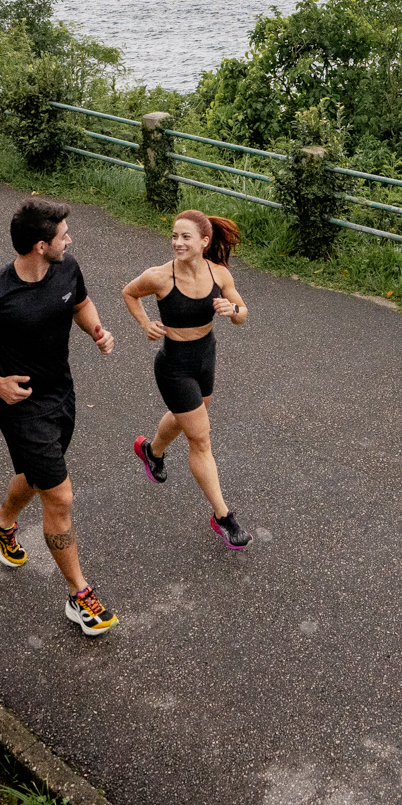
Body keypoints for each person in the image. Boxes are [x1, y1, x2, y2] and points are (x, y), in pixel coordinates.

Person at [0, 196, 118, 636]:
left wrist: (96, 329)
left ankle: (1, 523)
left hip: (61, 395)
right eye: (63, 236)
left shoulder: (66, 268)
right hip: (21, 408)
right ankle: (79, 595)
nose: (69, 240)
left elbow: (80, 304)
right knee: (60, 497)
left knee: (37, 478)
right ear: (40, 245)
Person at [122, 209, 252, 550]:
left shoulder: (219, 274)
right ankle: (222, 517)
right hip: (174, 366)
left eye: (185, 237)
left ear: (204, 241)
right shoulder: (159, 277)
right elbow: (129, 292)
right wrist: (145, 323)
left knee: (187, 418)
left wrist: (232, 311)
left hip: (205, 359)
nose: (177, 242)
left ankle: (152, 451)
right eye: (174, 236)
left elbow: (243, 313)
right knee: (200, 438)